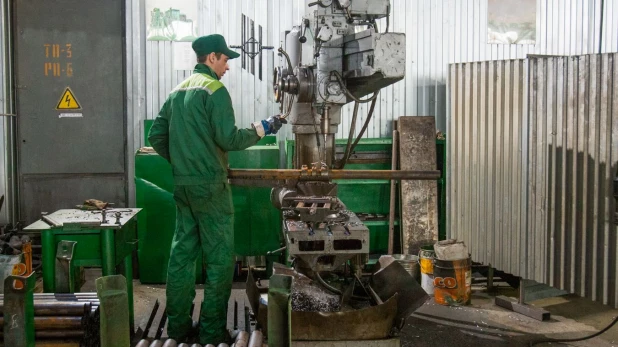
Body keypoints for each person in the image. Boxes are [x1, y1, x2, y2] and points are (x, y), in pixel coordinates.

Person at [148, 34, 283, 345]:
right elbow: (230, 140)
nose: (227, 67)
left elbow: (157, 136)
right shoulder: (215, 90)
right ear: (211, 57)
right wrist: (263, 128)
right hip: (210, 187)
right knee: (220, 259)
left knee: (182, 256)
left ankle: (179, 329)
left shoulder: (176, 92)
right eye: (225, 60)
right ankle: (211, 332)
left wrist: (184, 160)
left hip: (183, 186)